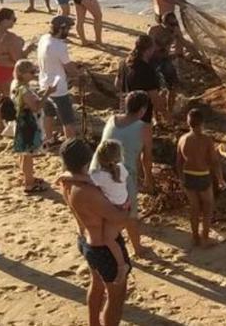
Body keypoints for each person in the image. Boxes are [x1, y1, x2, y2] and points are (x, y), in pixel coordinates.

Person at [58, 139, 131, 326]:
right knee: (116, 298)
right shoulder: (88, 191)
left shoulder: (66, 182)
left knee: (97, 284)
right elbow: (118, 218)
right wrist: (127, 209)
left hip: (86, 239)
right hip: (103, 248)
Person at [93, 91, 155, 257]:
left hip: (98, 170)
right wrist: (148, 179)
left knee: (105, 208)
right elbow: (146, 157)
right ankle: (138, 248)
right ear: (142, 110)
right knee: (129, 213)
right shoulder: (144, 128)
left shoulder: (111, 120)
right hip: (121, 174)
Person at [177, 107, 226, 246]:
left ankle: (195, 237)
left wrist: (181, 178)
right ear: (202, 123)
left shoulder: (182, 139)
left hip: (188, 176)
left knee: (194, 208)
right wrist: (220, 178)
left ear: (188, 123)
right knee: (207, 206)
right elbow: (214, 162)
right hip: (202, 176)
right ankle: (205, 236)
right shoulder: (206, 140)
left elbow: (179, 162)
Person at [89, 140, 132, 286]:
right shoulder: (122, 168)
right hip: (125, 204)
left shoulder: (98, 176)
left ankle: (121, 265)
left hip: (115, 210)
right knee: (113, 235)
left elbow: (86, 181)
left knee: (108, 239)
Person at [0, 8, 32, 133]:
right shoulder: (10, 37)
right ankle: (13, 127)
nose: (14, 22)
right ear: (5, 20)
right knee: (13, 101)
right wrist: (27, 49)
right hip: (4, 71)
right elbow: (19, 61)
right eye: (13, 19)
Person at [37, 15, 81, 145]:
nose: (68, 32)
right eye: (67, 29)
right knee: (68, 120)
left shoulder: (44, 38)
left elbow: (55, 60)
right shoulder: (59, 46)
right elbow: (70, 69)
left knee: (48, 114)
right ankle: (71, 145)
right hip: (59, 89)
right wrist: (78, 72)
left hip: (44, 83)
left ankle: (49, 138)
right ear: (61, 29)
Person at [11, 60, 52, 194]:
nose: (34, 74)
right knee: (29, 154)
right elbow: (36, 107)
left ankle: (27, 177)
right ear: (23, 74)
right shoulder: (24, 89)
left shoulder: (16, 84)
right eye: (32, 72)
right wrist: (48, 93)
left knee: (24, 153)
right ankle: (29, 184)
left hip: (21, 122)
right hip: (28, 123)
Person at [116, 34, 168, 127]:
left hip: (124, 112)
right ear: (149, 50)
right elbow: (154, 98)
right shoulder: (147, 70)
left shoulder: (123, 63)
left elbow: (117, 84)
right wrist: (166, 114)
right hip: (141, 116)